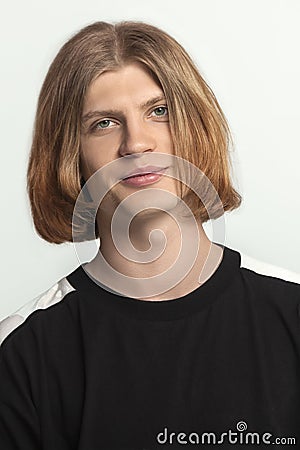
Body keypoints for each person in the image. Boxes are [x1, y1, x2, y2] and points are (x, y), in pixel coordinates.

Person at [0, 20, 299, 449]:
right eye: (104, 123)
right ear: (70, 154)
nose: (136, 143)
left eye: (159, 111)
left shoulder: (291, 313)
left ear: (197, 128)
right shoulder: (23, 354)